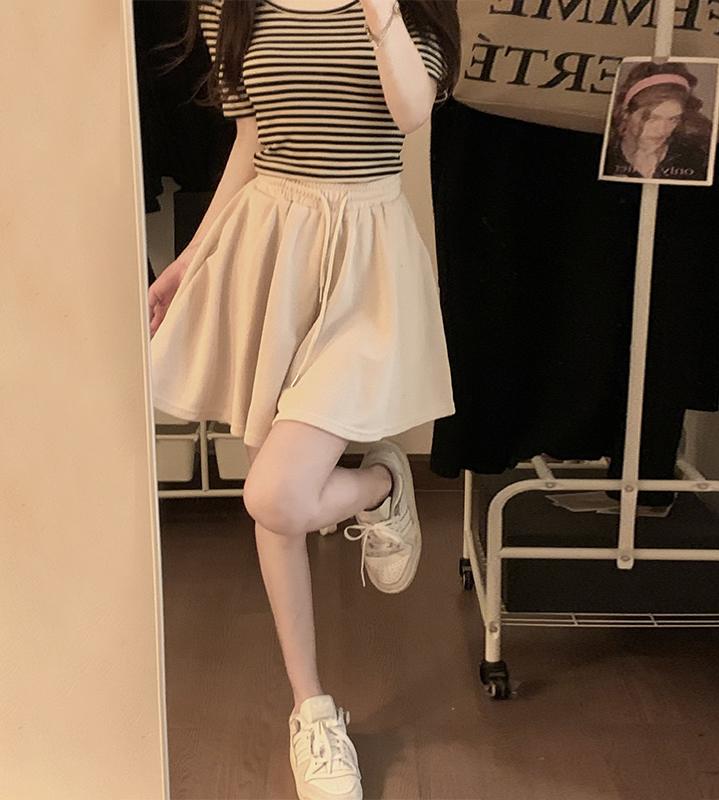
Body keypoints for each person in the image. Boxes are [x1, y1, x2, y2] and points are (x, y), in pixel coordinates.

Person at [147, 2, 460, 798]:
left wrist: (381, 14)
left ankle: (381, 483)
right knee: (275, 505)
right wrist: (193, 257)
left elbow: (412, 113)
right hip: (271, 247)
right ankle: (312, 709)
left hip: (368, 256)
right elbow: (249, 143)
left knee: (276, 495)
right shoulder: (231, 6)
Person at [603, 62, 713, 182]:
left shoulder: (695, 158)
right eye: (651, 118)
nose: (662, 130)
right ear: (626, 113)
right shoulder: (607, 155)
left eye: (673, 119)